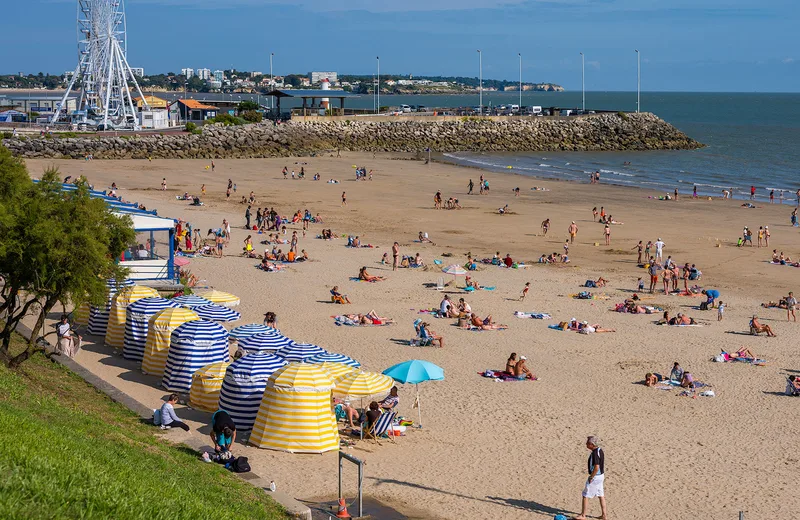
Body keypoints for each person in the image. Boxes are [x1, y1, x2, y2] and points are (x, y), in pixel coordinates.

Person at [574, 436, 607, 520]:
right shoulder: (600, 450)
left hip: (595, 477)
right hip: (601, 476)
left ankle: (583, 515)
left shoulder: (595, 453)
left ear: (592, 444)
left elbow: (596, 467)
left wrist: (591, 477)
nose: (586, 444)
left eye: (587, 443)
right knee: (601, 495)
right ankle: (604, 515)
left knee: (585, 495)